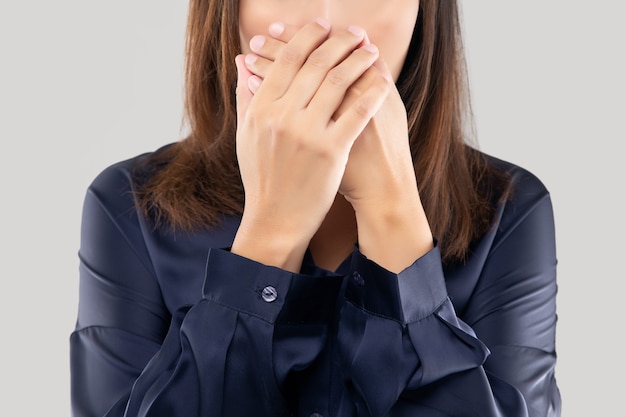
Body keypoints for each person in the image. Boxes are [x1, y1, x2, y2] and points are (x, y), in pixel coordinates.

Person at [70, 0, 561, 416]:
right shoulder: (132, 204)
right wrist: (271, 231)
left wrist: (392, 212)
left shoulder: (508, 208)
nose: (328, 25)